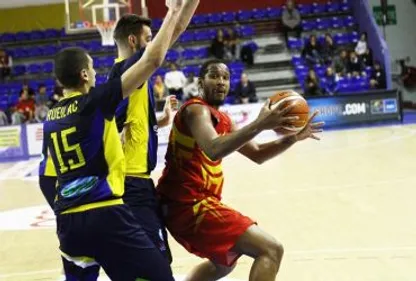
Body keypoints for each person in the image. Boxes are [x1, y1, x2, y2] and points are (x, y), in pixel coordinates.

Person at [40, 1, 183, 280]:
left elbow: (46, 179)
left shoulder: (50, 118)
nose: (95, 73)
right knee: (159, 274)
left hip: (68, 224)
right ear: (83, 75)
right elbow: (152, 60)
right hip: (105, 214)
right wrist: (175, 10)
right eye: (92, 68)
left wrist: (64, 207)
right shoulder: (96, 101)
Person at [156, 59, 324, 281]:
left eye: (225, 78)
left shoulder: (222, 118)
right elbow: (214, 149)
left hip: (194, 203)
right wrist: (259, 124)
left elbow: (257, 153)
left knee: (223, 264)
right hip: (188, 205)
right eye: (214, 76)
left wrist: (292, 138)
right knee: (271, 249)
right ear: (200, 82)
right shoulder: (195, 110)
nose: (221, 82)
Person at [109, 0, 199, 264]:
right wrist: (172, 10)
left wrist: (158, 122)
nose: (155, 42)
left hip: (136, 181)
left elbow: (125, 122)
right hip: (130, 183)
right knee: (155, 263)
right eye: (149, 38)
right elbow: (173, 33)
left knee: (154, 261)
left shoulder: (131, 75)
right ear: (134, 42)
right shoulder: (128, 69)